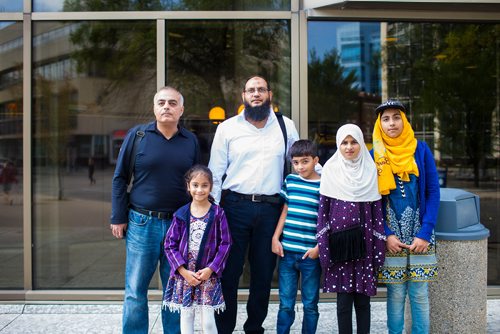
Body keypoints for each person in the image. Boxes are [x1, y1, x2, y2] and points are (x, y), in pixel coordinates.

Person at [208, 75, 300, 334]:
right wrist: (213, 212)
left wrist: (327, 175)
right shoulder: (227, 128)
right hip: (233, 208)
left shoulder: (285, 126)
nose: (256, 94)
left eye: (261, 89)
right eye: (251, 90)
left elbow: (300, 162)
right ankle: (224, 328)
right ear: (243, 96)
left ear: (270, 94)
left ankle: (254, 327)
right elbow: (215, 172)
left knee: (263, 274)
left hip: (271, 209)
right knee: (229, 272)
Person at [110, 86, 200, 334]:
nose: (166, 107)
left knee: (174, 289)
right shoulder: (137, 135)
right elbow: (120, 178)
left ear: (181, 110)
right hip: (141, 223)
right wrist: (118, 216)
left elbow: (198, 183)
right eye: (161, 103)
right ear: (154, 108)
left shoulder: (190, 141)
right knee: (136, 290)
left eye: (172, 103)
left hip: (179, 226)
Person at [372, 99, 440, 334]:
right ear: (380, 124)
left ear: (404, 120)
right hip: (391, 238)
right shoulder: (375, 155)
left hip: (421, 233)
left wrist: (425, 233)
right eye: (386, 119)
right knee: (396, 293)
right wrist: (386, 234)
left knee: (419, 293)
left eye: (396, 117)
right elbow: (372, 201)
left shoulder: (420, 150)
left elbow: (433, 191)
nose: (391, 123)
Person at [316, 124, 386, 334]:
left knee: (363, 303)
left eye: (353, 141)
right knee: (343, 304)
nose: (349, 147)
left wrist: (378, 250)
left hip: (365, 246)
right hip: (340, 247)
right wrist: (325, 248)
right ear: (338, 145)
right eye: (344, 143)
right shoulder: (330, 170)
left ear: (361, 144)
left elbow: (376, 214)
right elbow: (323, 213)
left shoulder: (370, 169)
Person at [163, 165, 232, 334]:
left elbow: (226, 244)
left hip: (207, 275)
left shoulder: (218, 214)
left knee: (208, 321)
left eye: (204, 185)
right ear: (188, 186)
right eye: (195, 185)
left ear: (211, 187)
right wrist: (183, 271)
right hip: (186, 275)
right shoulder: (181, 214)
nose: (199, 190)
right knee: (186, 318)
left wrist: (211, 269)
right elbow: (169, 244)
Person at [271, 139, 322, 334]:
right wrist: (276, 238)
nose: (300, 166)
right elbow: (285, 210)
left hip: (310, 254)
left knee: (310, 304)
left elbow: (325, 219)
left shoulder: (323, 185)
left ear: (316, 160)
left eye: (305, 161)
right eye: (296, 162)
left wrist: (318, 247)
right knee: (285, 303)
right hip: (287, 253)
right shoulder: (290, 181)